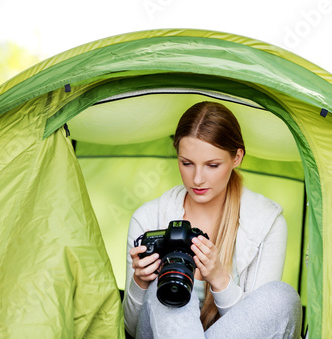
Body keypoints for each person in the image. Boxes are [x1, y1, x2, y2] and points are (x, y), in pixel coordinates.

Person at [122, 101, 302, 338]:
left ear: (237, 157)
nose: (197, 179)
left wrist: (219, 279)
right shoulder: (147, 218)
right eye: (186, 163)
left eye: (212, 165)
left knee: (281, 297)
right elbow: (131, 328)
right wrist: (140, 282)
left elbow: (258, 325)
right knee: (166, 283)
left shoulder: (266, 222)